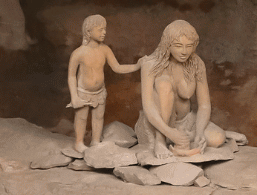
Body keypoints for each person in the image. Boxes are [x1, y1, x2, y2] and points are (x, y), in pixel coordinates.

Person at [135, 19, 226, 159]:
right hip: (158, 123)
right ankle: (160, 141)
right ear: (167, 44)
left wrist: (199, 133)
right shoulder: (151, 64)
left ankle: (185, 138)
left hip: (186, 122)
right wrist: (168, 132)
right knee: (164, 85)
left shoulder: (197, 64)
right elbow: (148, 106)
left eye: (189, 46)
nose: (184, 52)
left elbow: (204, 105)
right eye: (178, 46)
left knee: (218, 138)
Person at [67, 14, 141, 152]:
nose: (104, 32)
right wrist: (74, 97)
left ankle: (95, 141)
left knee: (98, 117)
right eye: (100, 29)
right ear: (88, 31)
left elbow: (117, 67)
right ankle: (79, 143)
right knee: (81, 117)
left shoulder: (105, 49)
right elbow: (71, 76)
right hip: (83, 92)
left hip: (100, 91)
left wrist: (136, 66)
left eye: (105, 29)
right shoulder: (78, 53)